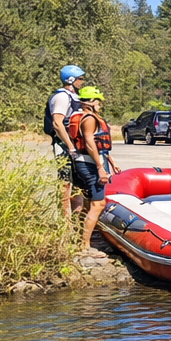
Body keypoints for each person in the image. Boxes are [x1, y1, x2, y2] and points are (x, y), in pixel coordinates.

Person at [69, 86, 116, 251]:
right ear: (89, 102)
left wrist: (110, 162)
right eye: (98, 102)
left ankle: (83, 238)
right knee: (98, 204)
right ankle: (85, 245)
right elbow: (89, 142)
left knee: (90, 202)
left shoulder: (82, 116)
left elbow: (99, 144)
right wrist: (99, 167)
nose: (100, 105)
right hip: (89, 164)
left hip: (83, 162)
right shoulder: (89, 118)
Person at [45, 64, 85, 219]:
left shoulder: (74, 96)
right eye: (79, 79)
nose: (81, 82)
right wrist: (69, 146)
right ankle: (65, 222)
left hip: (76, 146)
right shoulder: (61, 97)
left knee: (78, 183)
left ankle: (77, 220)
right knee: (65, 182)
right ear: (70, 80)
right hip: (65, 147)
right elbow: (57, 123)